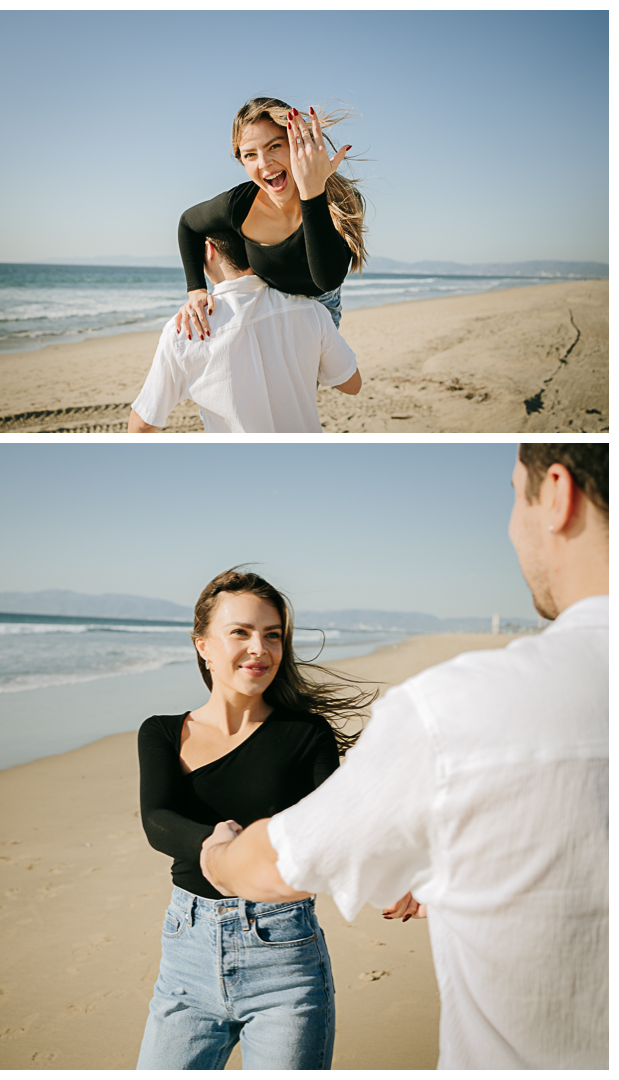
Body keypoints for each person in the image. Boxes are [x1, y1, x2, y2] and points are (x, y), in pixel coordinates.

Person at [200, 444, 609, 1070]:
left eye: (510, 493)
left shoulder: (457, 711)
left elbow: (284, 863)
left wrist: (220, 856)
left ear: (557, 493)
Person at [135, 568, 378, 1070]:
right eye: (240, 632)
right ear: (202, 644)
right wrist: (216, 844)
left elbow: (337, 830)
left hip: (283, 958)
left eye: (272, 635)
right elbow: (157, 819)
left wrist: (398, 875)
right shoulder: (161, 733)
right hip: (187, 954)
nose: (259, 649)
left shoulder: (306, 734)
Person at [128, 229, 361, 434]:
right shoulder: (312, 311)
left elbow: (143, 425)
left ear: (208, 249)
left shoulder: (184, 331)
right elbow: (352, 385)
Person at [174, 96, 366, 341]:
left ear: (297, 141)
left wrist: (311, 193)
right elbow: (188, 224)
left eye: (275, 146)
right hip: (267, 310)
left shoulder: (339, 200)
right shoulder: (240, 205)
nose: (264, 163)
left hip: (320, 312)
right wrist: (196, 290)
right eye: (250, 155)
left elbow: (327, 280)